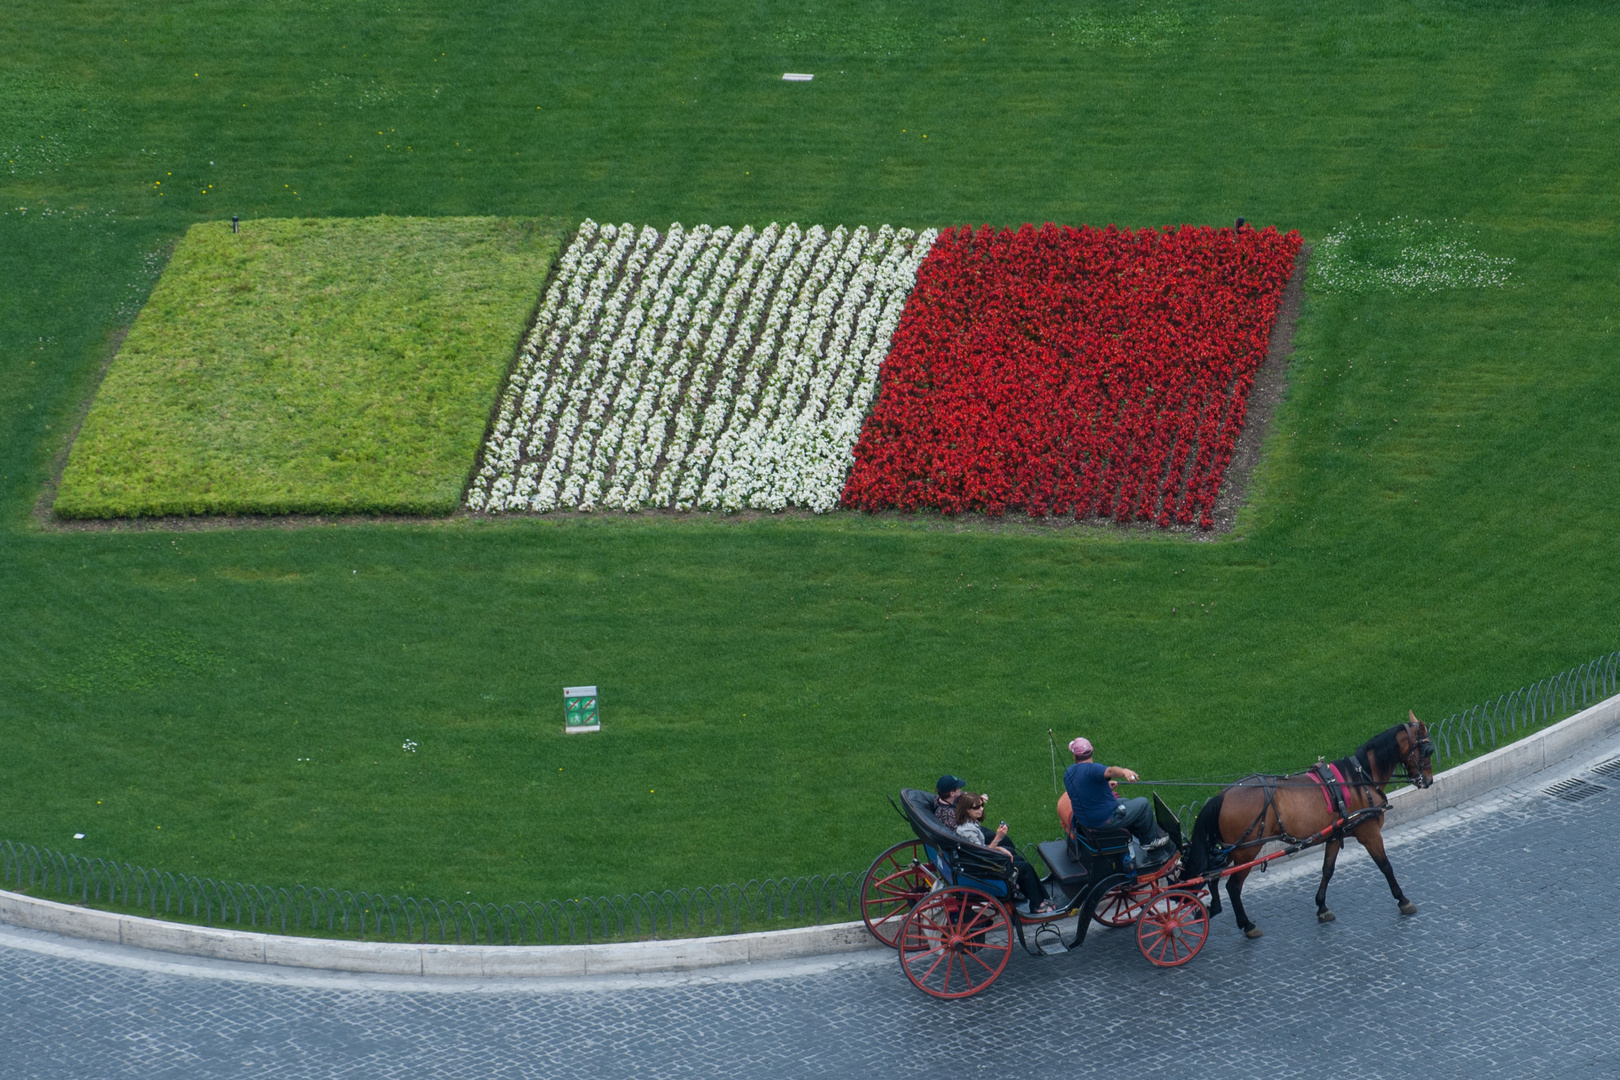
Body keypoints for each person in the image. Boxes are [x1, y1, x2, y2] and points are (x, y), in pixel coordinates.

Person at [953, 792, 1054, 914]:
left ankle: (1038, 898)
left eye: (981, 806)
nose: (981, 809)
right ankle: (1037, 905)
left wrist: (1000, 849)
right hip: (983, 867)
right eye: (976, 807)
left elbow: (979, 849)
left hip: (979, 862)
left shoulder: (968, 824)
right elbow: (982, 854)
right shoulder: (967, 830)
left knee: (1018, 860)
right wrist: (998, 837)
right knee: (1025, 869)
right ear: (967, 810)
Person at [1063, 737, 1170, 849]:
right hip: (1104, 820)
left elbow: (1082, 791)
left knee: (1126, 801)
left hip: (1086, 819)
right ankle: (1149, 841)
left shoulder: (1069, 772)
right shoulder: (1092, 769)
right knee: (1143, 804)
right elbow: (1110, 771)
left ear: (1075, 756)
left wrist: (1105, 787)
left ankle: (1139, 833)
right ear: (1092, 751)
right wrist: (1124, 771)